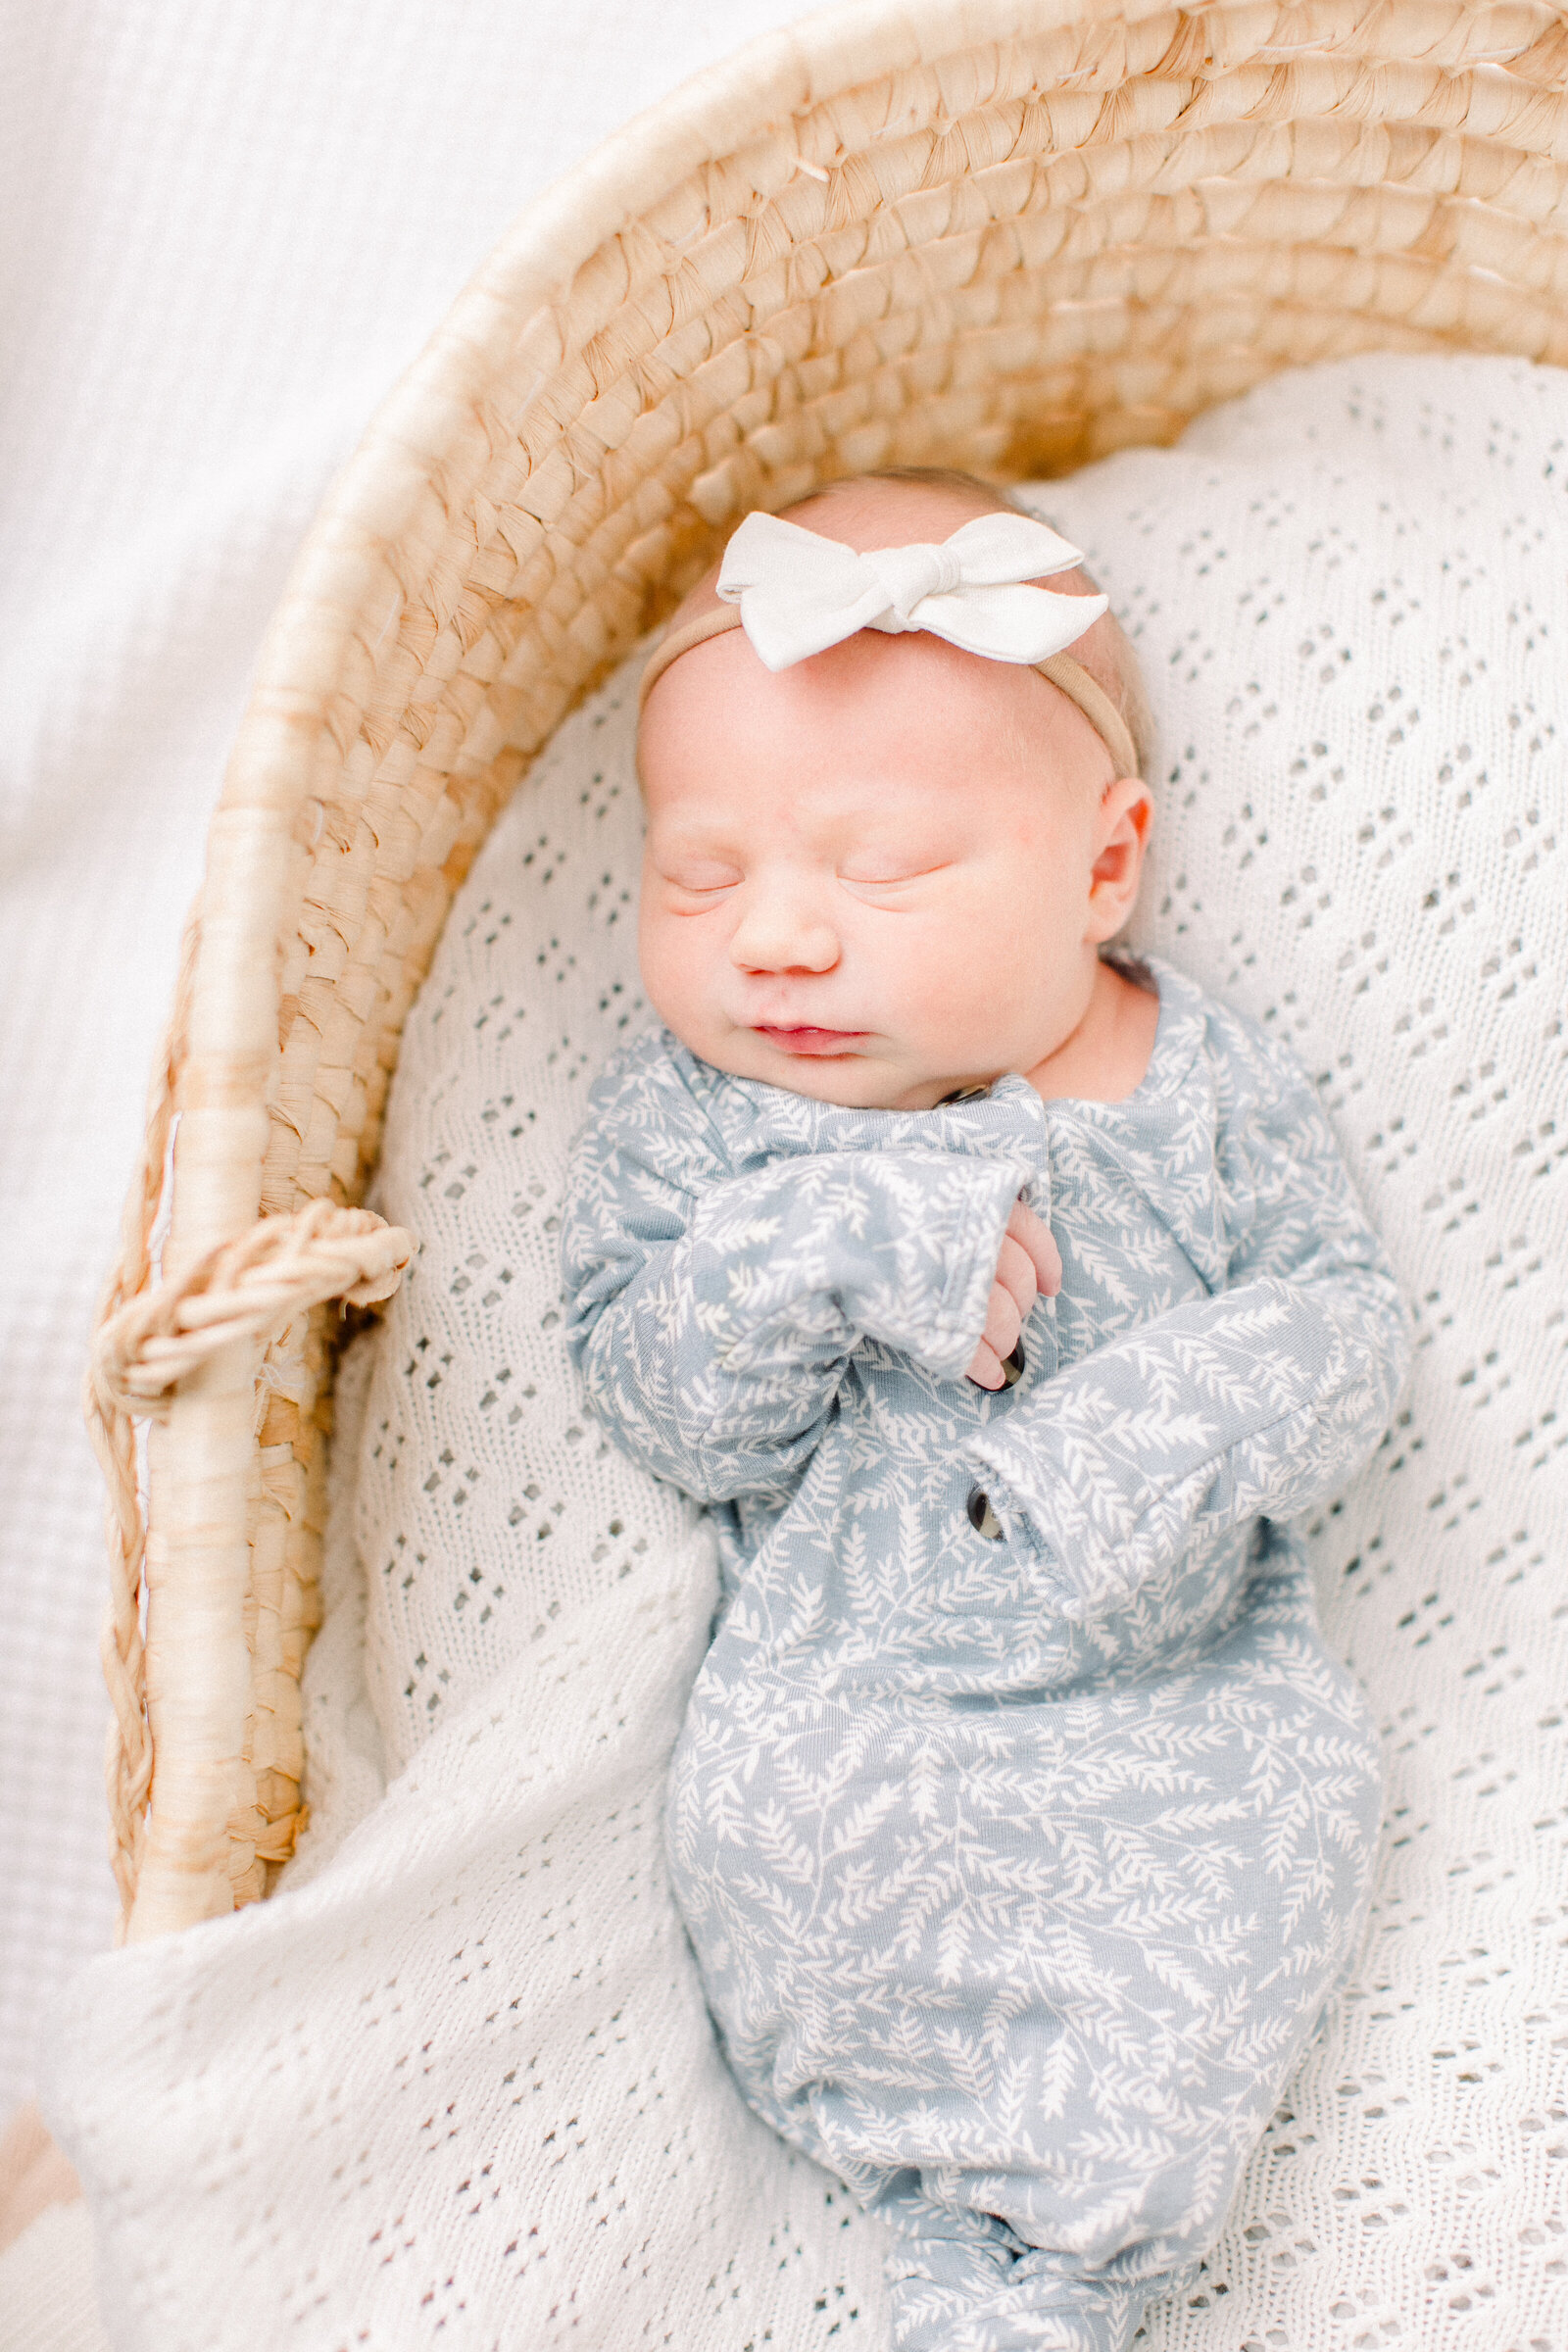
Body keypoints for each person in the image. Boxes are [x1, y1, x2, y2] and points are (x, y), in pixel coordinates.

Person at [561, 470, 1408, 2351]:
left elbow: (1343, 1327)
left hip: (1182, 1698)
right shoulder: (699, 1123)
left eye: (879, 871)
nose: (775, 938)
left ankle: (1058, 2271)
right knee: (786, 1834)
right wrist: (821, 1244)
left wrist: (1136, 1435)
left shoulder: (1196, 1080)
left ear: (1103, 870)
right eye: (699, 874)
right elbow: (661, 1401)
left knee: (1285, 1839)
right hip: (853, 1699)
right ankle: (933, 2193)